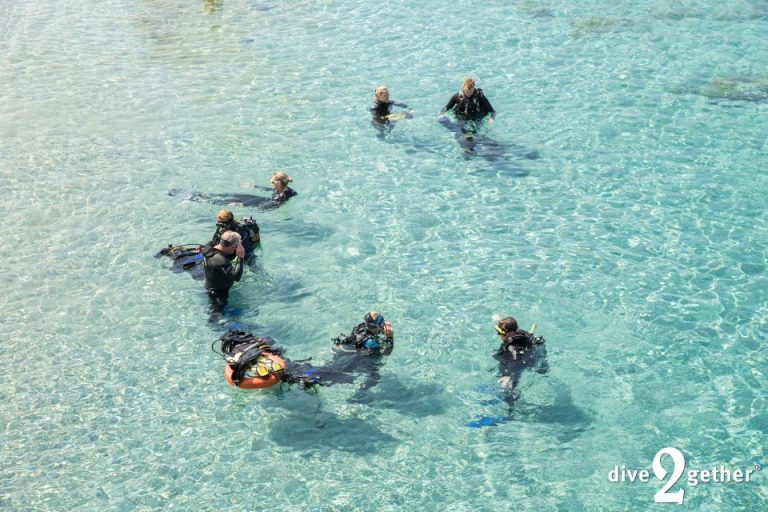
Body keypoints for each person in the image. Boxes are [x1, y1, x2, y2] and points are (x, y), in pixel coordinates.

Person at [168, 172, 297, 211]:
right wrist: (253, 186)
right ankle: (201, 194)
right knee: (231, 195)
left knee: (229, 202)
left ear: (279, 183)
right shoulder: (283, 189)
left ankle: (196, 199)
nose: (272, 184)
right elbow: (268, 189)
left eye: (273, 182)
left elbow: (267, 208)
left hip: (261, 204)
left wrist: (242, 206)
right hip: (260, 199)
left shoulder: (283, 196)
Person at [202, 231, 245, 309]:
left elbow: (212, 242)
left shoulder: (208, 248)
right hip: (219, 293)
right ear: (232, 246)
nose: (236, 249)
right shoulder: (220, 260)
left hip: (211, 286)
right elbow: (236, 277)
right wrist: (241, 257)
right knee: (217, 315)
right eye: (236, 247)